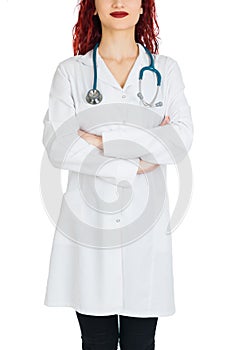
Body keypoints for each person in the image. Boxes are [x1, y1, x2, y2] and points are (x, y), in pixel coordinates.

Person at [42, 0, 193, 349]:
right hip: (88, 232)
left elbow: (180, 139)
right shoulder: (71, 72)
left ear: (144, 7)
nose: (119, 2)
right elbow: (60, 147)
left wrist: (98, 141)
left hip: (146, 232)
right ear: (92, 7)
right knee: (95, 341)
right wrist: (138, 160)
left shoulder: (166, 71)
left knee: (142, 342)